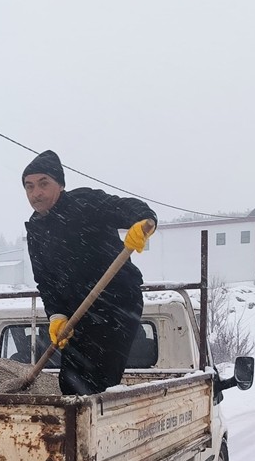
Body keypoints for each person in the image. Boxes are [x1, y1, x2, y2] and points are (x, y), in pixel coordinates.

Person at [22, 149, 157, 396]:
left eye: (43, 183)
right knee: (70, 382)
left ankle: (96, 416)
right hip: (78, 312)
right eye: (29, 186)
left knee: (97, 383)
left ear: (60, 185)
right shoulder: (36, 230)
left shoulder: (84, 202)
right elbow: (45, 281)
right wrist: (56, 315)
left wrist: (143, 219)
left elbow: (124, 206)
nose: (36, 193)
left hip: (116, 303)